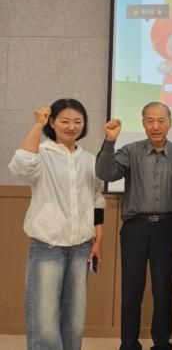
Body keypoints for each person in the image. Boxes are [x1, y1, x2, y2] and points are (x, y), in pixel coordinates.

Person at [8, 99, 105, 350]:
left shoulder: (89, 160)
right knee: (44, 320)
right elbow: (20, 166)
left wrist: (98, 239)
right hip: (47, 247)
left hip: (81, 247)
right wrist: (36, 126)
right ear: (52, 122)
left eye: (78, 121)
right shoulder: (42, 153)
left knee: (74, 320)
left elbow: (96, 199)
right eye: (65, 121)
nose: (72, 126)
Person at [95, 101, 172, 350]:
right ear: (143, 123)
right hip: (135, 228)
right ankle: (129, 344)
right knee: (131, 291)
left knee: (163, 292)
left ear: (170, 123)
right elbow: (105, 173)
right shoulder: (130, 151)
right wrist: (110, 141)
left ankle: (162, 344)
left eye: (161, 121)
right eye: (150, 121)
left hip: (168, 227)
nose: (155, 126)